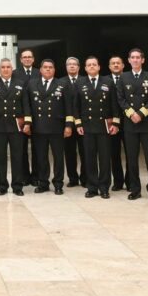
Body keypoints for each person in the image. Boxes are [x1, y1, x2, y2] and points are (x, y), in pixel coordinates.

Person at [116, 49, 148, 201]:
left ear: (143, 60)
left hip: (146, 123)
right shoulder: (123, 77)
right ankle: (134, 189)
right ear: (128, 60)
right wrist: (130, 113)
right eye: (132, 58)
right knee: (131, 158)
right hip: (130, 123)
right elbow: (120, 98)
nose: (135, 60)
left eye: (138, 57)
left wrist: (140, 113)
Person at [26, 59, 73, 195]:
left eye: (50, 67)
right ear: (40, 70)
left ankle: (58, 184)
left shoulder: (62, 84)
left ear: (54, 70)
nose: (48, 69)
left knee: (58, 157)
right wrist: (28, 123)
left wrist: (68, 125)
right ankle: (43, 183)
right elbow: (27, 105)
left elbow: (68, 107)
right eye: (45, 67)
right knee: (41, 157)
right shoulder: (32, 84)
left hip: (57, 127)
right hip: (38, 127)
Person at [77, 56, 118, 199]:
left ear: (99, 67)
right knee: (89, 158)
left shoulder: (108, 81)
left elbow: (114, 104)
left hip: (104, 126)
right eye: (89, 65)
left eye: (94, 64)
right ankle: (92, 187)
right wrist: (78, 124)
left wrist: (115, 123)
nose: (92, 67)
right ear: (85, 68)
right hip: (87, 126)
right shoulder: (80, 82)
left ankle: (104, 187)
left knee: (105, 158)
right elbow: (76, 105)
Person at [0, 58, 27, 196]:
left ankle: (17, 186)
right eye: (3, 67)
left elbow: (26, 105)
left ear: (12, 69)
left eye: (8, 67)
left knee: (17, 156)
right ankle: (2, 185)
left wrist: (27, 123)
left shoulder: (20, 84)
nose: (6, 69)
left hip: (16, 126)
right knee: (0, 157)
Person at [60, 57, 86, 188]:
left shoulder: (85, 81)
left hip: (84, 123)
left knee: (85, 151)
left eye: (74, 64)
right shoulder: (60, 82)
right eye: (69, 64)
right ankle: (73, 178)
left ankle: (85, 178)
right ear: (66, 67)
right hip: (67, 124)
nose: (71, 66)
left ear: (79, 67)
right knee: (69, 152)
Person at [16, 49, 38, 186]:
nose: (27, 59)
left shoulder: (39, 72)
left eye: (30, 57)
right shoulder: (14, 74)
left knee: (37, 149)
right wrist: (21, 117)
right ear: (21, 59)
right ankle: (24, 176)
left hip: (38, 117)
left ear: (33, 59)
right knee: (21, 149)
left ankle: (36, 176)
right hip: (21, 116)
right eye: (25, 57)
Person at [106, 55, 128, 192]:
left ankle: (131, 181)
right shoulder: (105, 81)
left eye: (118, 63)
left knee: (130, 154)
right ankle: (118, 181)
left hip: (128, 121)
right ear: (109, 66)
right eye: (113, 63)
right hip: (112, 122)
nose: (115, 65)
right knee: (114, 154)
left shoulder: (129, 78)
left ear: (123, 65)